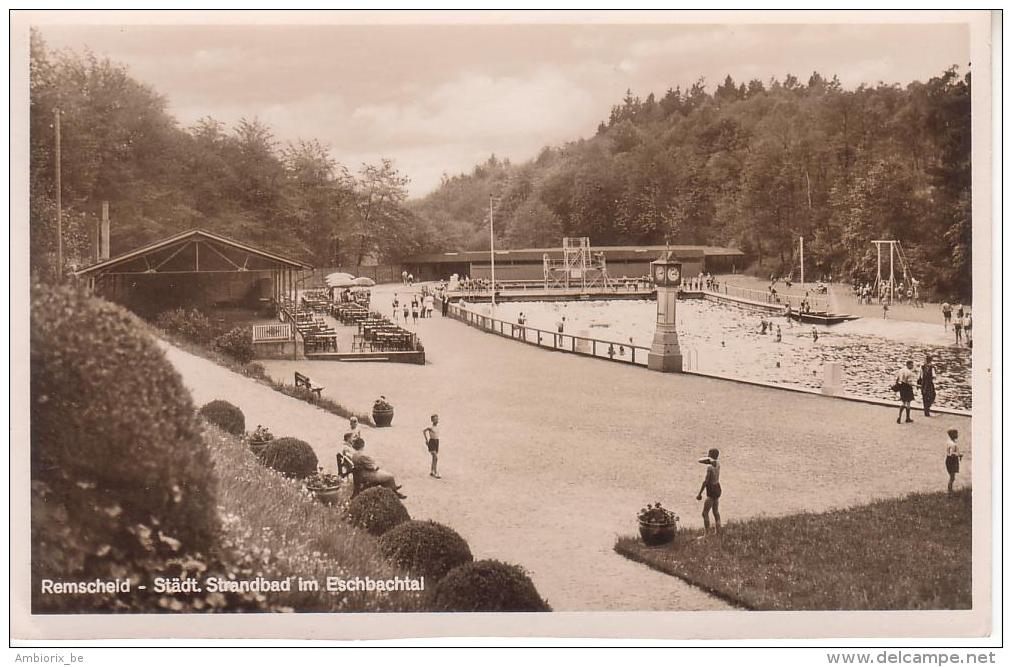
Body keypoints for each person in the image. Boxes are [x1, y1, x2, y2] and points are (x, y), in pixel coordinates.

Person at [696, 448, 722, 536]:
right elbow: (701, 461)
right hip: (717, 487)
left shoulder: (709, 467)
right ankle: (718, 531)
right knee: (715, 511)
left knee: (705, 513)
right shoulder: (718, 463)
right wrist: (709, 460)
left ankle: (706, 534)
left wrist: (699, 493)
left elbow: (706, 481)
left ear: (710, 455)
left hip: (711, 489)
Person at [422, 414, 441, 479]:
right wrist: (426, 440)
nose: (436, 420)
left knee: (434, 458)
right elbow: (424, 431)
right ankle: (435, 472)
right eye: (435, 419)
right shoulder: (430, 427)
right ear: (432, 420)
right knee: (436, 457)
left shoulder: (437, 427)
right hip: (432, 442)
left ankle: (432, 471)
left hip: (436, 442)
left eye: (437, 419)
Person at [945, 429, 963, 494]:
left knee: (952, 477)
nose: (957, 435)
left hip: (949, 460)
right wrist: (959, 454)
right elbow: (952, 454)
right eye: (956, 434)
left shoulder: (950, 442)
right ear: (952, 435)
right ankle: (949, 491)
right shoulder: (952, 444)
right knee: (952, 477)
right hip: (952, 461)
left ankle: (950, 489)